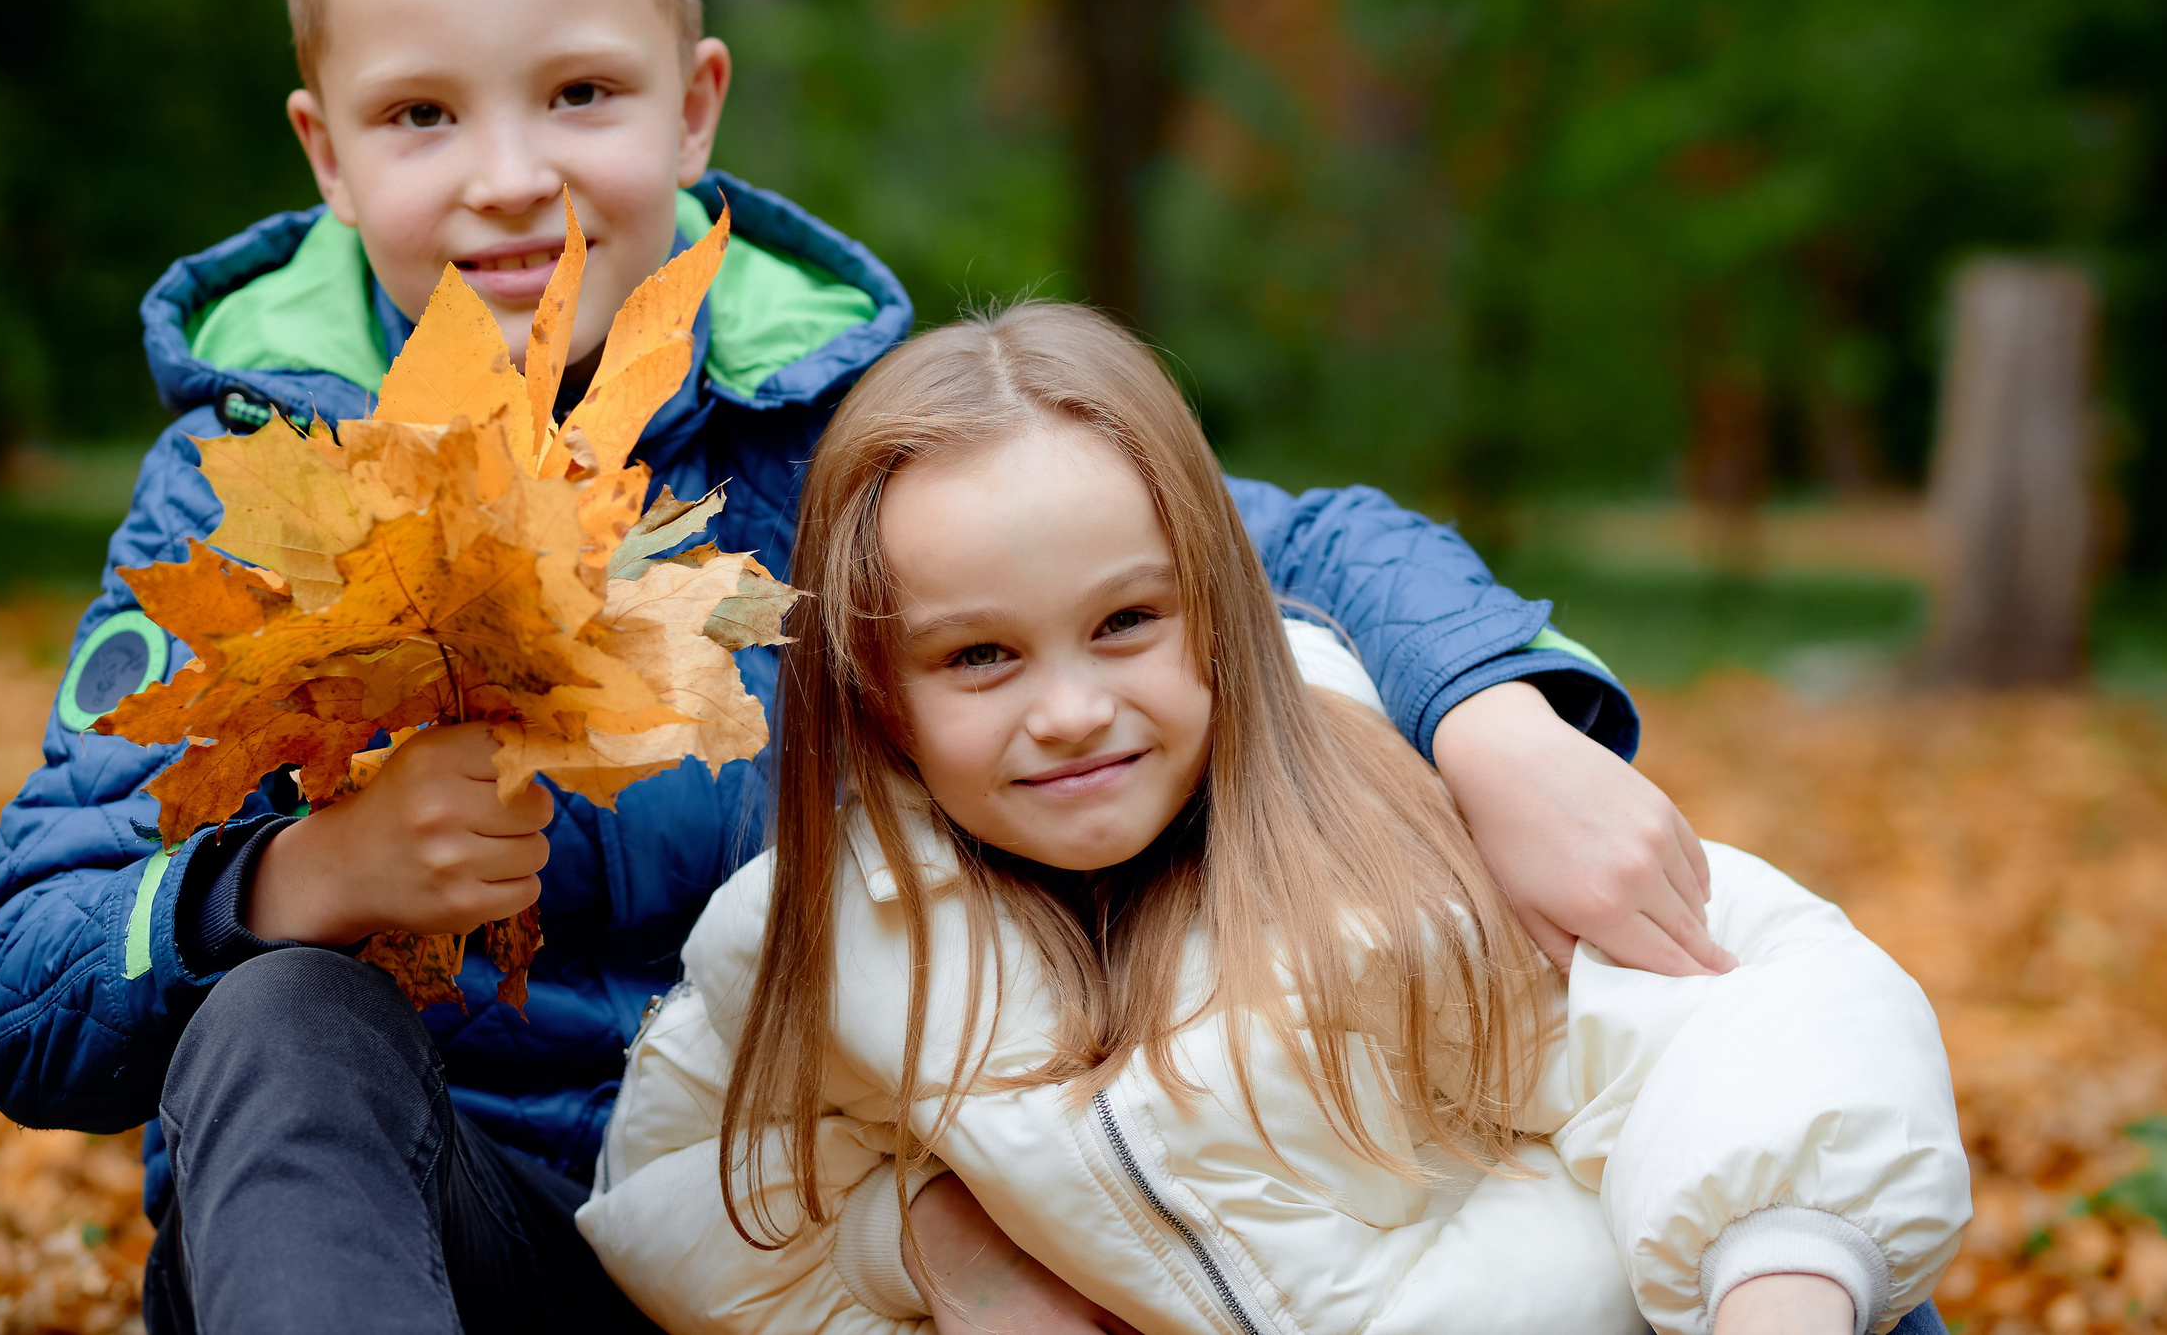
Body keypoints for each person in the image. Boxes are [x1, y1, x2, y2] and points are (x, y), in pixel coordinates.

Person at [0, 0, 1728, 1335]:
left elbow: (1295, 545)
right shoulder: (239, 497)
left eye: (580, 94)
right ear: (327, 151)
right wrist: (294, 880)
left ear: (695, 103)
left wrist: (1501, 721)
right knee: (282, 1027)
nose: (508, 178)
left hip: (808, 1255)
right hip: (420, 1250)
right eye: (423, 117)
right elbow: (26, 981)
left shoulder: (842, 446)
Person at [582, 302, 1970, 1335]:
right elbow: (691, 1185)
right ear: (877, 694)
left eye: (1125, 623)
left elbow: (1764, 1009)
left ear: (1217, 613)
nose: (1068, 709)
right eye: (981, 657)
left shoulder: (1389, 837)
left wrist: (1778, 1289)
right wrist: (941, 1255)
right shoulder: (831, 940)